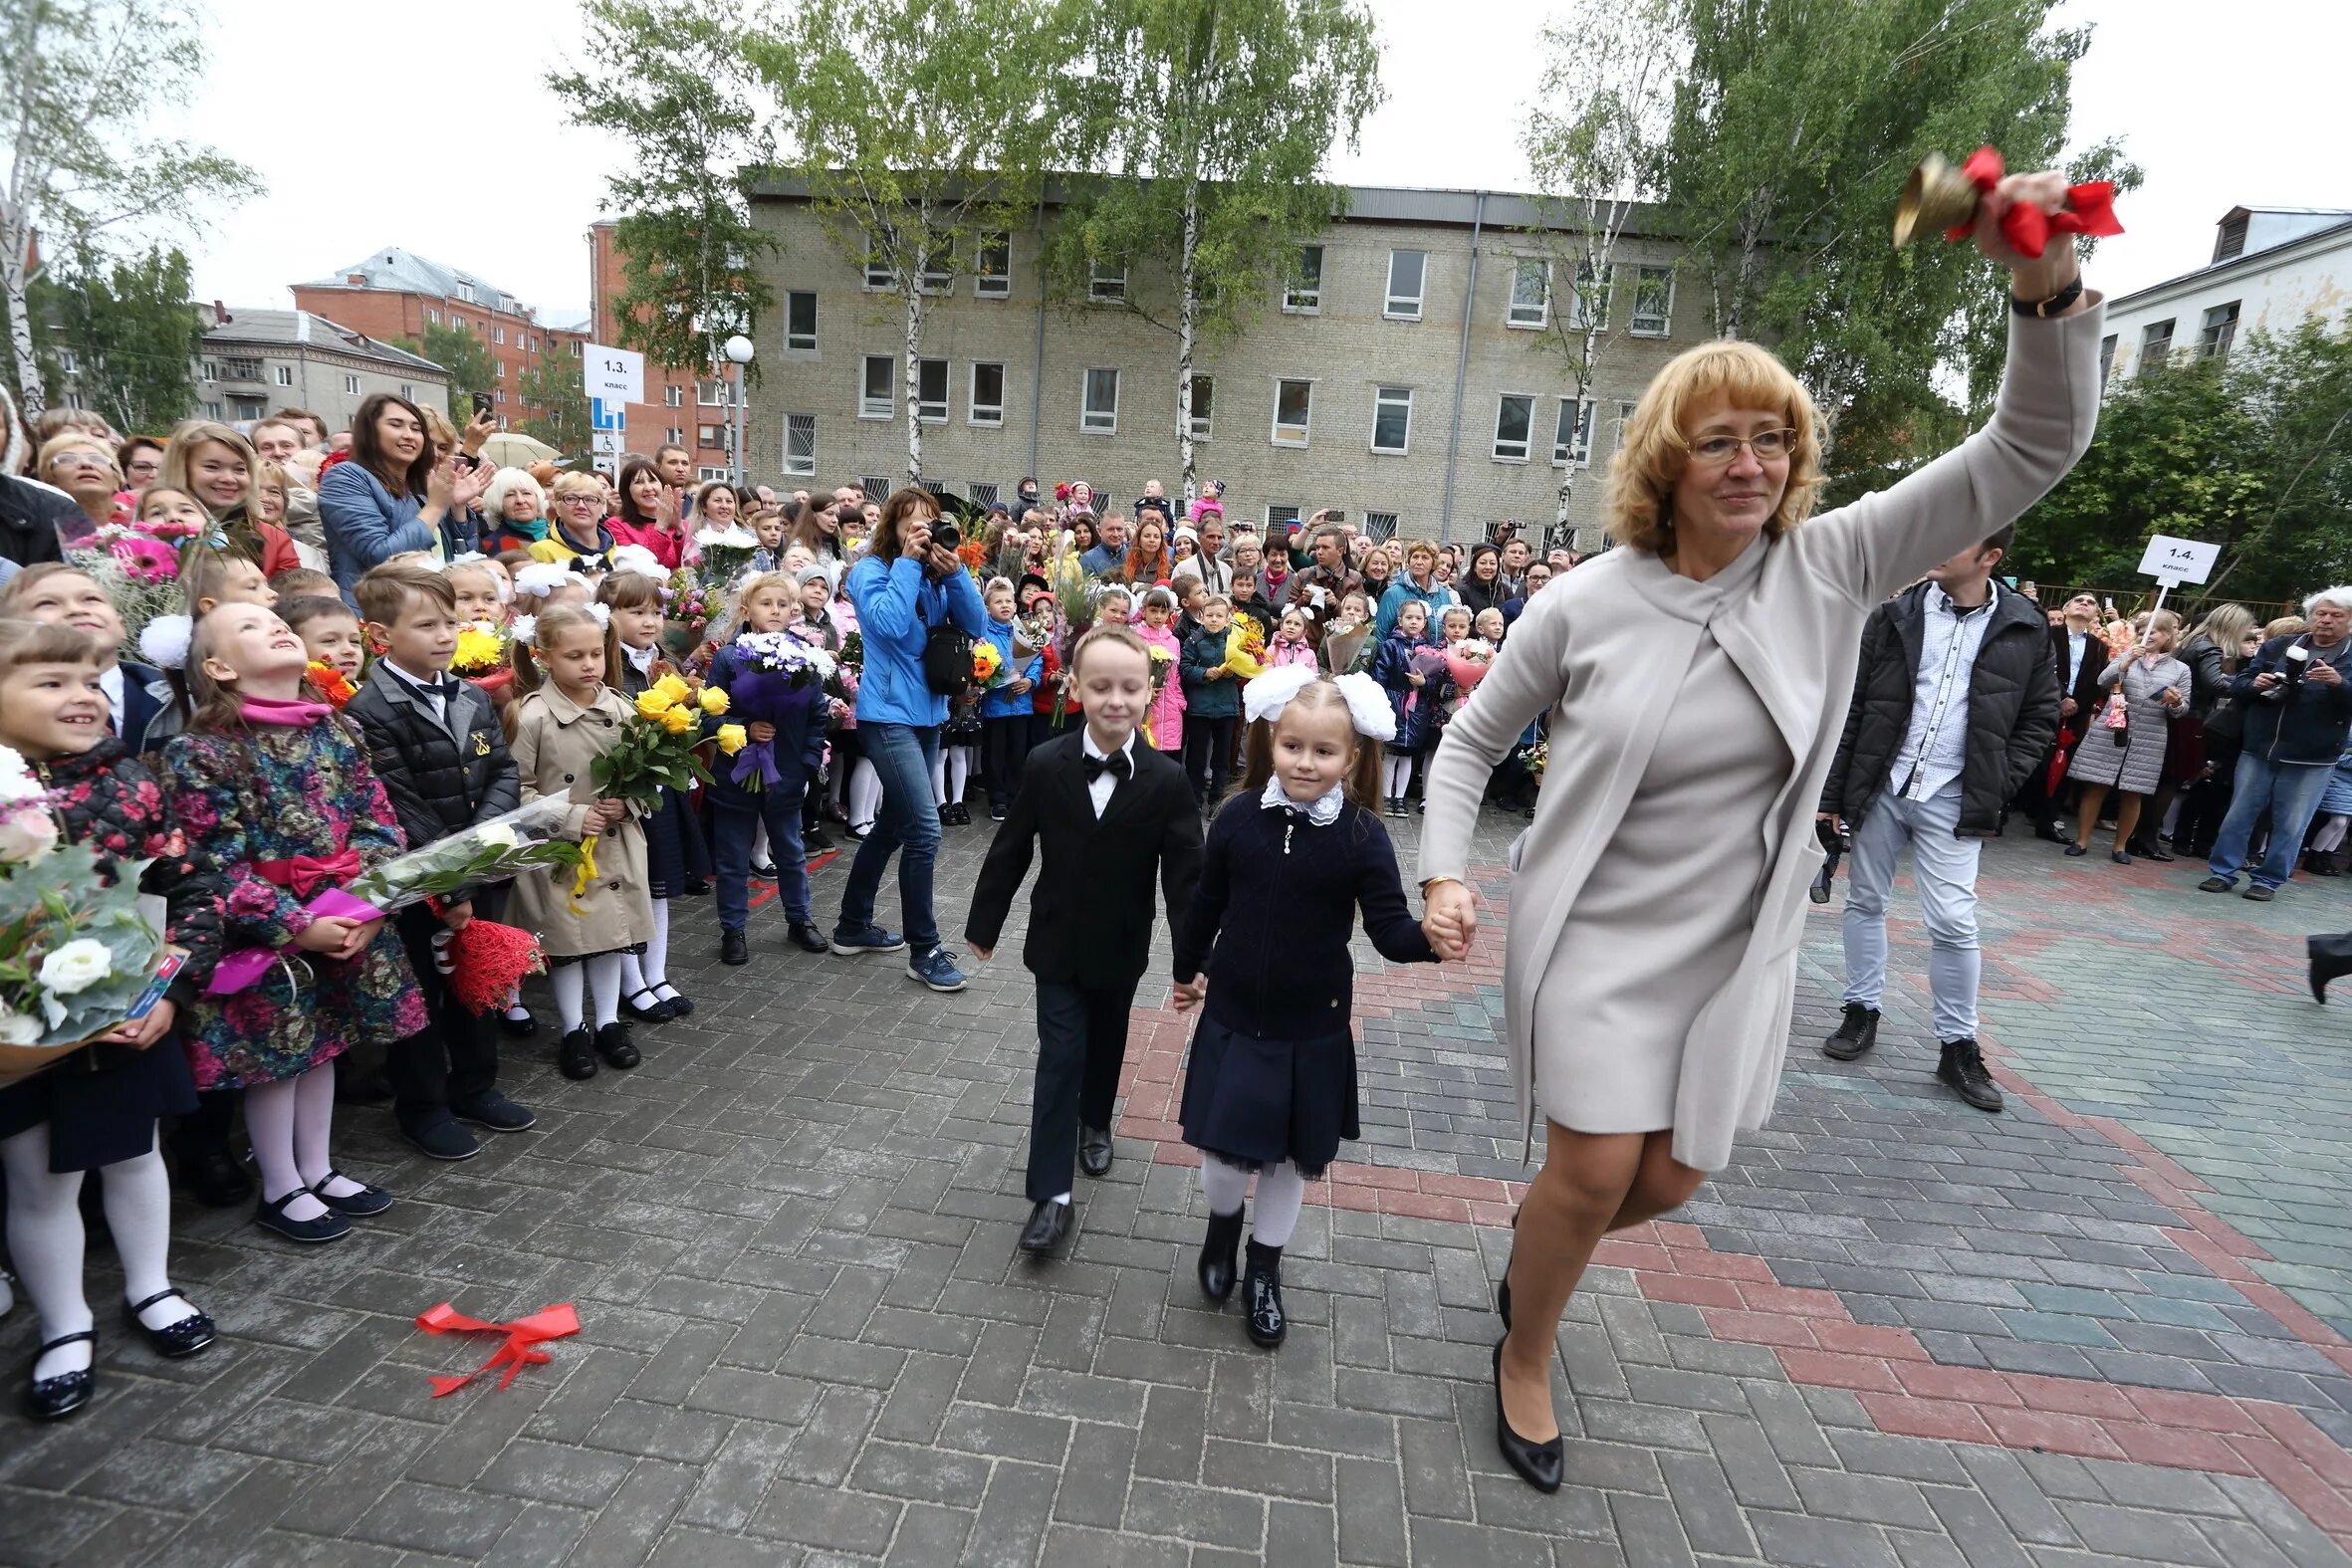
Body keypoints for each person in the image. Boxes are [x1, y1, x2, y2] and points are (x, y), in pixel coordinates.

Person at [1416, 174, 2099, 1492]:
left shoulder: (1832, 564)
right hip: (1594, 937)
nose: (1749, 463)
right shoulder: (1583, 603)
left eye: (1770, 440)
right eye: (1719, 439)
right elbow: (1465, 742)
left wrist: (2044, 284)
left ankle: (1539, 1249)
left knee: (1668, 1177)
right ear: (1666, 458)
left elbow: (2027, 449)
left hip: (1737, 945)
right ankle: (1526, 1342)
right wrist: (1444, 869)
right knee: (1594, 1156)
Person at [1172, 669, 1436, 1345]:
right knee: (1227, 1154)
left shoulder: (1361, 835)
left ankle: (1265, 1266)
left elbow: (1388, 929)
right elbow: (1206, 904)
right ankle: (1222, 1229)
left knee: (1289, 1159)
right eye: (1293, 746)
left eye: (1323, 751)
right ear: (1271, 740)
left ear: (1352, 758)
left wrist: (1432, 938)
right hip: (1233, 1012)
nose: (1305, 762)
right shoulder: (1234, 817)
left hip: (1311, 1026)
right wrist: (1187, 968)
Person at [0, 619, 221, 1419]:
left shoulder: (127, 780)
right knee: (39, 1181)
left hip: (124, 1015)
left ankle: (151, 1284)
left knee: (134, 1156)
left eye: (91, 682)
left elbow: (189, 889)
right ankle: (65, 1321)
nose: (82, 697)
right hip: (19, 1034)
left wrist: (169, 992)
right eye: (51, 683)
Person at [165, 603, 424, 1243]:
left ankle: (319, 1167)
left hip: (345, 914)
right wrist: (293, 922)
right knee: (279, 1056)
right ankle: (281, 1186)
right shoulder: (200, 751)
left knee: (326, 1044)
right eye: (249, 627)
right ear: (219, 667)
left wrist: (366, 902)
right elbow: (213, 861)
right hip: (268, 938)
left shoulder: (335, 730)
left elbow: (377, 821)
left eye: (275, 620)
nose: (276, 627)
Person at [967, 625, 1203, 1256]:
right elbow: (1011, 847)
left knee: (1107, 1042)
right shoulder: (1045, 764)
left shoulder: (1167, 779)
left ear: (1150, 692)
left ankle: (1095, 1120)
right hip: (1056, 943)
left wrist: (1192, 961)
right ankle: (1051, 1196)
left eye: (1129, 688)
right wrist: (984, 923)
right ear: (1075, 688)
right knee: (1060, 1056)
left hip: (1123, 942)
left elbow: (1185, 880)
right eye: (1100, 687)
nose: (1115, 700)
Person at [1815, 528, 2058, 1113]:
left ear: (1991, 556)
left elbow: (2040, 714)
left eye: (1957, 537)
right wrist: (1832, 792)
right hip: (1883, 784)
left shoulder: (2025, 624)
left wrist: (1998, 781)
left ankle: (1957, 1046)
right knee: (1864, 901)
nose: (1935, 544)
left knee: (1953, 921)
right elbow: (1854, 705)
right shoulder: (1894, 614)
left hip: (1956, 793)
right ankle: (1860, 1010)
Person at [342, 563, 532, 1161]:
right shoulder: (370, 710)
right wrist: (451, 877)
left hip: (476, 864)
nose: (446, 635)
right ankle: (422, 1106)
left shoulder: (472, 694)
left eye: (449, 622)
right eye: (426, 625)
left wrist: (480, 842)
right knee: (420, 992)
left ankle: (475, 1084)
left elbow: (501, 769)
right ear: (380, 637)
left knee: (477, 979)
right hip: (419, 880)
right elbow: (399, 801)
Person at [829, 487, 987, 993]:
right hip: (886, 716)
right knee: (924, 830)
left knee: (896, 826)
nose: (923, 532)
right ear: (892, 529)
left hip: (928, 716)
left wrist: (955, 570)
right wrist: (910, 564)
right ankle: (926, 950)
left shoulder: (939, 576)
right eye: (912, 524)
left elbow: (978, 625)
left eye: (930, 523)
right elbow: (893, 626)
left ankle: (851, 926)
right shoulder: (872, 571)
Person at [507, 604, 656, 1078]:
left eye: (596, 653)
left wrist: (628, 804)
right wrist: (571, 817)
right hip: (561, 850)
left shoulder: (619, 705)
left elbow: (648, 774)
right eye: (575, 656)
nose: (589, 664)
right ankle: (574, 1029)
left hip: (615, 842)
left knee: (612, 937)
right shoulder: (532, 716)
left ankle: (609, 1022)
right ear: (545, 657)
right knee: (569, 943)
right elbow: (517, 788)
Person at [701, 571, 828, 964]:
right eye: (765, 603)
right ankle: (733, 927)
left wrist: (806, 765)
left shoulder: (805, 655)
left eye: (783, 604)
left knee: (790, 852)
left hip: (786, 774)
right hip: (736, 774)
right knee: (733, 856)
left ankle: (799, 918)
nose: (775, 610)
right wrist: (744, 727)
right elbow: (709, 716)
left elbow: (816, 717)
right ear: (746, 610)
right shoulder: (728, 657)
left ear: (794, 610)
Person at [2200, 587, 2352, 900]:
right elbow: (2240, 685)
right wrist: (2255, 683)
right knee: (2239, 815)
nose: (2326, 621)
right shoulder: (2278, 646)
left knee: (2291, 824)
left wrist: (2339, 685)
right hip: (2259, 747)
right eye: (2321, 614)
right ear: (2311, 618)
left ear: (2350, 622)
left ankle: (2267, 881)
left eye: (2336, 615)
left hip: (2312, 758)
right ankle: (2222, 872)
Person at [0, 564, 178, 753]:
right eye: (47, 603)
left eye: (91, 599)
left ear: (121, 625)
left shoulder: (178, 700)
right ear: (14, 631)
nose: (76, 610)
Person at [319, 395, 484, 597]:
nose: (409, 435)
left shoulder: (420, 490)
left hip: (428, 608)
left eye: (416, 429)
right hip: (375, 612)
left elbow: (462, 564)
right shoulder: (345, 476)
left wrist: (456, 507)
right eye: (396, 425)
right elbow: (381, 557)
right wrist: (436, 507)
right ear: (369, 432)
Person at [2064, 609, 2190, 864]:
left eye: (2152, 631)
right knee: (2096, 785)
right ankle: (2081, 840)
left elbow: (2183, 709)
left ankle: (2120, 846)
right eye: (2141, 632)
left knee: (2134, 791)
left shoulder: (2180, 669)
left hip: (2149, 735)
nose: (2145, 636)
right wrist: (2124, 663)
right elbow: (2103, 681)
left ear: (2167, 635)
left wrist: (2175, 702)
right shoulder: (2126, 656)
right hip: (2112, 729)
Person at [2014, 590, 2107, 842]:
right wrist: (2061, 696)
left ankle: (2047, 820)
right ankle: (2003, 813)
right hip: (2041, 706)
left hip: (2076, 713)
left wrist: (2077, 702)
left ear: (2094, 614)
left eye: (2090, 603)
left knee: (2062, 767)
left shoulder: (2099, 647)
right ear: (2065, 610)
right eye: (2079, 600)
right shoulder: (2047, 635)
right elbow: (2038, 668)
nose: (2084, 604)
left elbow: (2099, 682)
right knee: (2028, 759)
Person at [2171, 604, 2260, 858]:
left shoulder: (2195, 642)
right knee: (2188, 781)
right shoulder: (2209, 647)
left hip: (2190, 715)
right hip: (2193, 718)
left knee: (2186, 781)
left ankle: (2172, 837)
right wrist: (2252, 683)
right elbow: (2216, 684)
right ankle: (2162, 838)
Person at [157, 422, 301, 575]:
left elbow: (294, 595)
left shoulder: (274, 538)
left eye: (239, 469)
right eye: (212, 467)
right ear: (181, 469)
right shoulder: (150, 529)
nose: (229, 478)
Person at [977, 577, 1042, 822]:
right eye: (998, 602)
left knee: (1018, 753)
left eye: (1008, 601)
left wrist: (1031, 680)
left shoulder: (1023, 631)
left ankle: (1016, 796)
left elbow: (1036, 658)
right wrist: (992, 677)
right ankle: (998, 799)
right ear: (988, 607)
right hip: (996, 706)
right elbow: (981, 662)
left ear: (1015, 605)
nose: (1004, 605)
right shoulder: (983, 633)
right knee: (995, 754)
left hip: (1022, 703)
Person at [1371, 599, 1438, 815]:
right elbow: (1380, 673)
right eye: (1409, 617)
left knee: (1408, 754)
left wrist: (1424, 683)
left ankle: (1400, 798)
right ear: (1400, 620)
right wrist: (1381, 700)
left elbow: (1435, 680)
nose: (1414, 621)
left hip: (1417, 707)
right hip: (1395, 702)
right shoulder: (1391, 645)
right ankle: (1386, 797)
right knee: (1391, 753)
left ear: (1424, 622)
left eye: (1418, 618)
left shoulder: (1429, 650)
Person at [1181, 595, 1242, 808]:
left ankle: (1217, 797)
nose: (1214, 620)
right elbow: (1185, 669)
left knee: (1222, 757)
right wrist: (1204, 673)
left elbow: (1246, 668)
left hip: (1227, 707)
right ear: (1201, 616)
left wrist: (1232, 673)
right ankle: (1194, 797)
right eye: (1209, 615)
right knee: (1196, 756)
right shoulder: (1194, 640)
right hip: (1200, 708)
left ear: (1227, 619)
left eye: (1219, 616)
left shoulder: (1235, 640)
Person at [33, 432, 122, 547]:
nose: (86, 464)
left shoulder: (144, 520)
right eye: (67, 459)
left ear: (116, 479)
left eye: (97, 459)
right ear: (50, 479)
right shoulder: (40, 537)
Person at [608, 458, 686, 567]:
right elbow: (640, 567)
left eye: (652, 480)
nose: (648, 488)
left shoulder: (682, 525)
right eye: (639, 482)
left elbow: (690, 565)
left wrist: (679, 531)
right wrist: (660, 527)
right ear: (627, 490)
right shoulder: (616, 525)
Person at [1374, 537, 1457, 638]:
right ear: (1409, 561)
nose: (1419, 562)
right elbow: (1381, 633)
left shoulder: (1443, 594)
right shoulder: (1393, 593)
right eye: (1415, 557)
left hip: (1438, 653)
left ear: (1433, 563)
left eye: (1425, 557)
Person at [480, 467, 550, 554]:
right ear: (497, 503)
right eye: (510, 495)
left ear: (538, 498)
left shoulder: (558, 534)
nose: (520, 500)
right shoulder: (492, 544)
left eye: (526, 493)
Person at [1079, 513, 1129, 578]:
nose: (1116, 534)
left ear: (1124, 531)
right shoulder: (1088, 560)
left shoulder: (1133, 554)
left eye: (1119, 529)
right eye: (1110, 529)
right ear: (1099, 531)